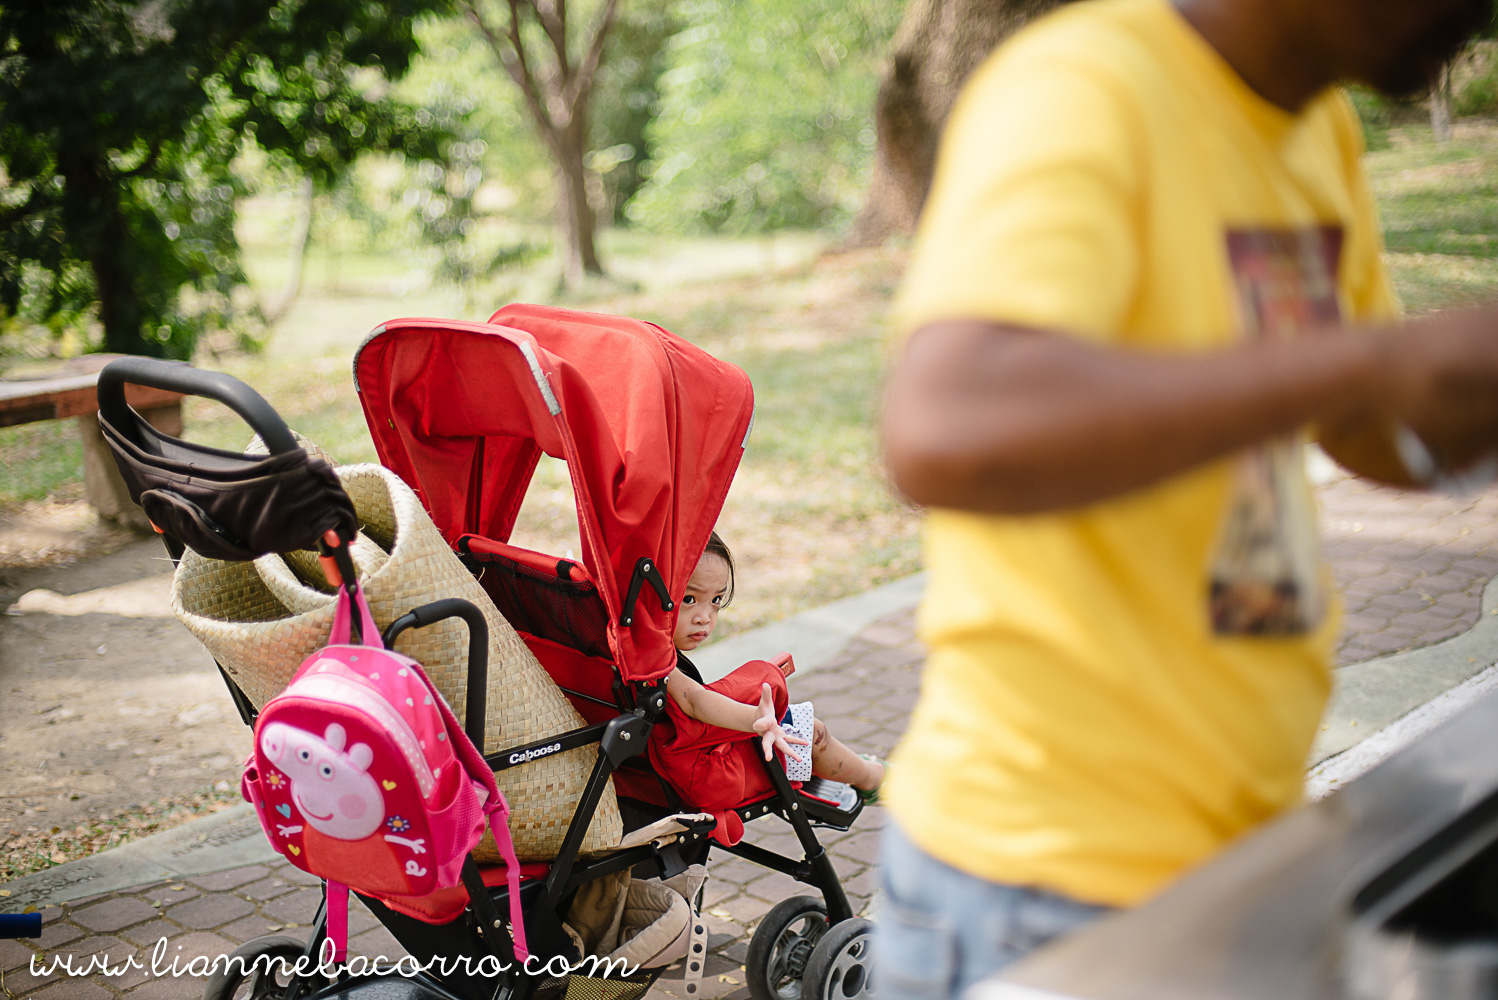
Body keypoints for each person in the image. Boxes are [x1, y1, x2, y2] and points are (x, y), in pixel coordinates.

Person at [874, 0, 1498, 996]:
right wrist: (1373, 362)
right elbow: (944, 428)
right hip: (1040, 896)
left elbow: (1369, 423)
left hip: (1238, 855)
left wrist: (1440, 382)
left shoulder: (1315, 129)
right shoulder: (1083, 89)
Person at [659, 531, 886, 802]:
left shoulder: (616, 643)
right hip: (704, 774)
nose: (705, 618)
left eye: (716, 601)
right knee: (810, 731)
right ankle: (872, 778)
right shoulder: (654, 662)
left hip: (654, 765)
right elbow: (695, 701)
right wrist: (756, 718)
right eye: (689, 599)